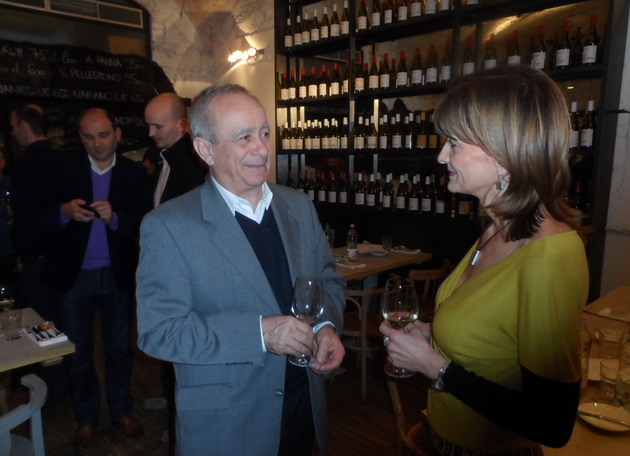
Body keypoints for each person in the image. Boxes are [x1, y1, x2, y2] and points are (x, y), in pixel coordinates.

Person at [380, 65, 589, 456]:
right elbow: (494, 340)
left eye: (454, 144)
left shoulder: (548, 258)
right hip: (440, 435)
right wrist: (433, 335)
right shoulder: (495, 228)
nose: (442, 156)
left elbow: (551, 422)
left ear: (504, 157)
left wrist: (434, 366)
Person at [136, 83, 346, 456]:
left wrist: (326, 326)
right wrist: (260, 334)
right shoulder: (168, 225)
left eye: (264, 133)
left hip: (302, 405)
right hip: (229, 422)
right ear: (205, 150)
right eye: (244, 137)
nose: (262, 148)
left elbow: (329, 281)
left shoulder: (299, 206)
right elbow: (160, 332)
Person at [41, 108, 149, 447]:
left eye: (103, 135)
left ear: (117, 134)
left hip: (116, 276)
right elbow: (38, 218)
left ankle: (121, 411)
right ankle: (86, 418)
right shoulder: (64, 169)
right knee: (78, 353)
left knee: (119, 350)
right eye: (89, 136)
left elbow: (145, 222)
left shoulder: (134, 172)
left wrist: (115, 218)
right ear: (81, 137)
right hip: (75, 278)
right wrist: (63, 212)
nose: (97, 143)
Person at [144, 92, 207, 207]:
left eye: (158, 126)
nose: (150, 133)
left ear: (181, 124)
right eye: (149, 125)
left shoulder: (195, 163)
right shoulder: (156, 155)